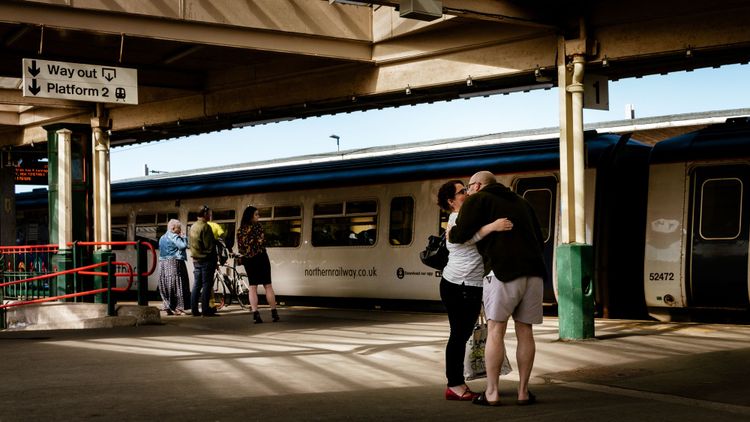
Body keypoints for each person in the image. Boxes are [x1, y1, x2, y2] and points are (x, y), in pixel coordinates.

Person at [449, 171, 547, 407]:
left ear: (478, 185)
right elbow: (540, 235)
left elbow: (459, 235)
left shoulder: (478, 199)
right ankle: (523, 391)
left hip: (503, 272)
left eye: (469, 187)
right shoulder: (523, 201)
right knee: (526, 332)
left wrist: (451, 231)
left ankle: (492, 392)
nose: (468, 191)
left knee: (496, 330)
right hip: (534, 274)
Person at [437, 180, 514, 401]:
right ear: (451, 202)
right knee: (458, 335)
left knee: (462, 334)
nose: (467, 194)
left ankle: (456, 382)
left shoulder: (469, 216)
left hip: (470, 285)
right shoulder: (455, 220)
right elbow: (465, 238)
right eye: (462, 192)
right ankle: (454, 384)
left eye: (466, 189)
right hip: (457, 284)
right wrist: (493, 226)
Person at [237, 205, 279, 323]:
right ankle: (274, 312)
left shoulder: (240, 230)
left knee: (252, 287)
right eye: (256, 214)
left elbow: (241, 249)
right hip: (261, 258)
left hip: (249, 260)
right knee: (268, 286)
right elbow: (262, 243)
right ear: (250, 216)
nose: (258, 216)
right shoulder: (258, 227)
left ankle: (256, 313)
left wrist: (247, 254)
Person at [189, 205, 218, 317]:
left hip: (196, 260)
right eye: (209, 214)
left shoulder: (193, 226)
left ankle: (194, 310)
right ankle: (206, 310)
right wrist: (215, 260)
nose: (210, 216)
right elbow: (209, 246)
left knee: (197, 285)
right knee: (206, 285)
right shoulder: (205, 227)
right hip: (206, 260)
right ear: (205, 214)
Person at [157, 219, 189, 315]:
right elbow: (183, 246)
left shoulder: (162, 237)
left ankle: (168, 306)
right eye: (178, 228)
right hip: (174, 262)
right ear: (173, 228)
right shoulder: (174, 236)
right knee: (177, 285)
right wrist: (184, 237)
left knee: (166, 285)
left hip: (163, 263)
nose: (180, 230)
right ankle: (178, 308)